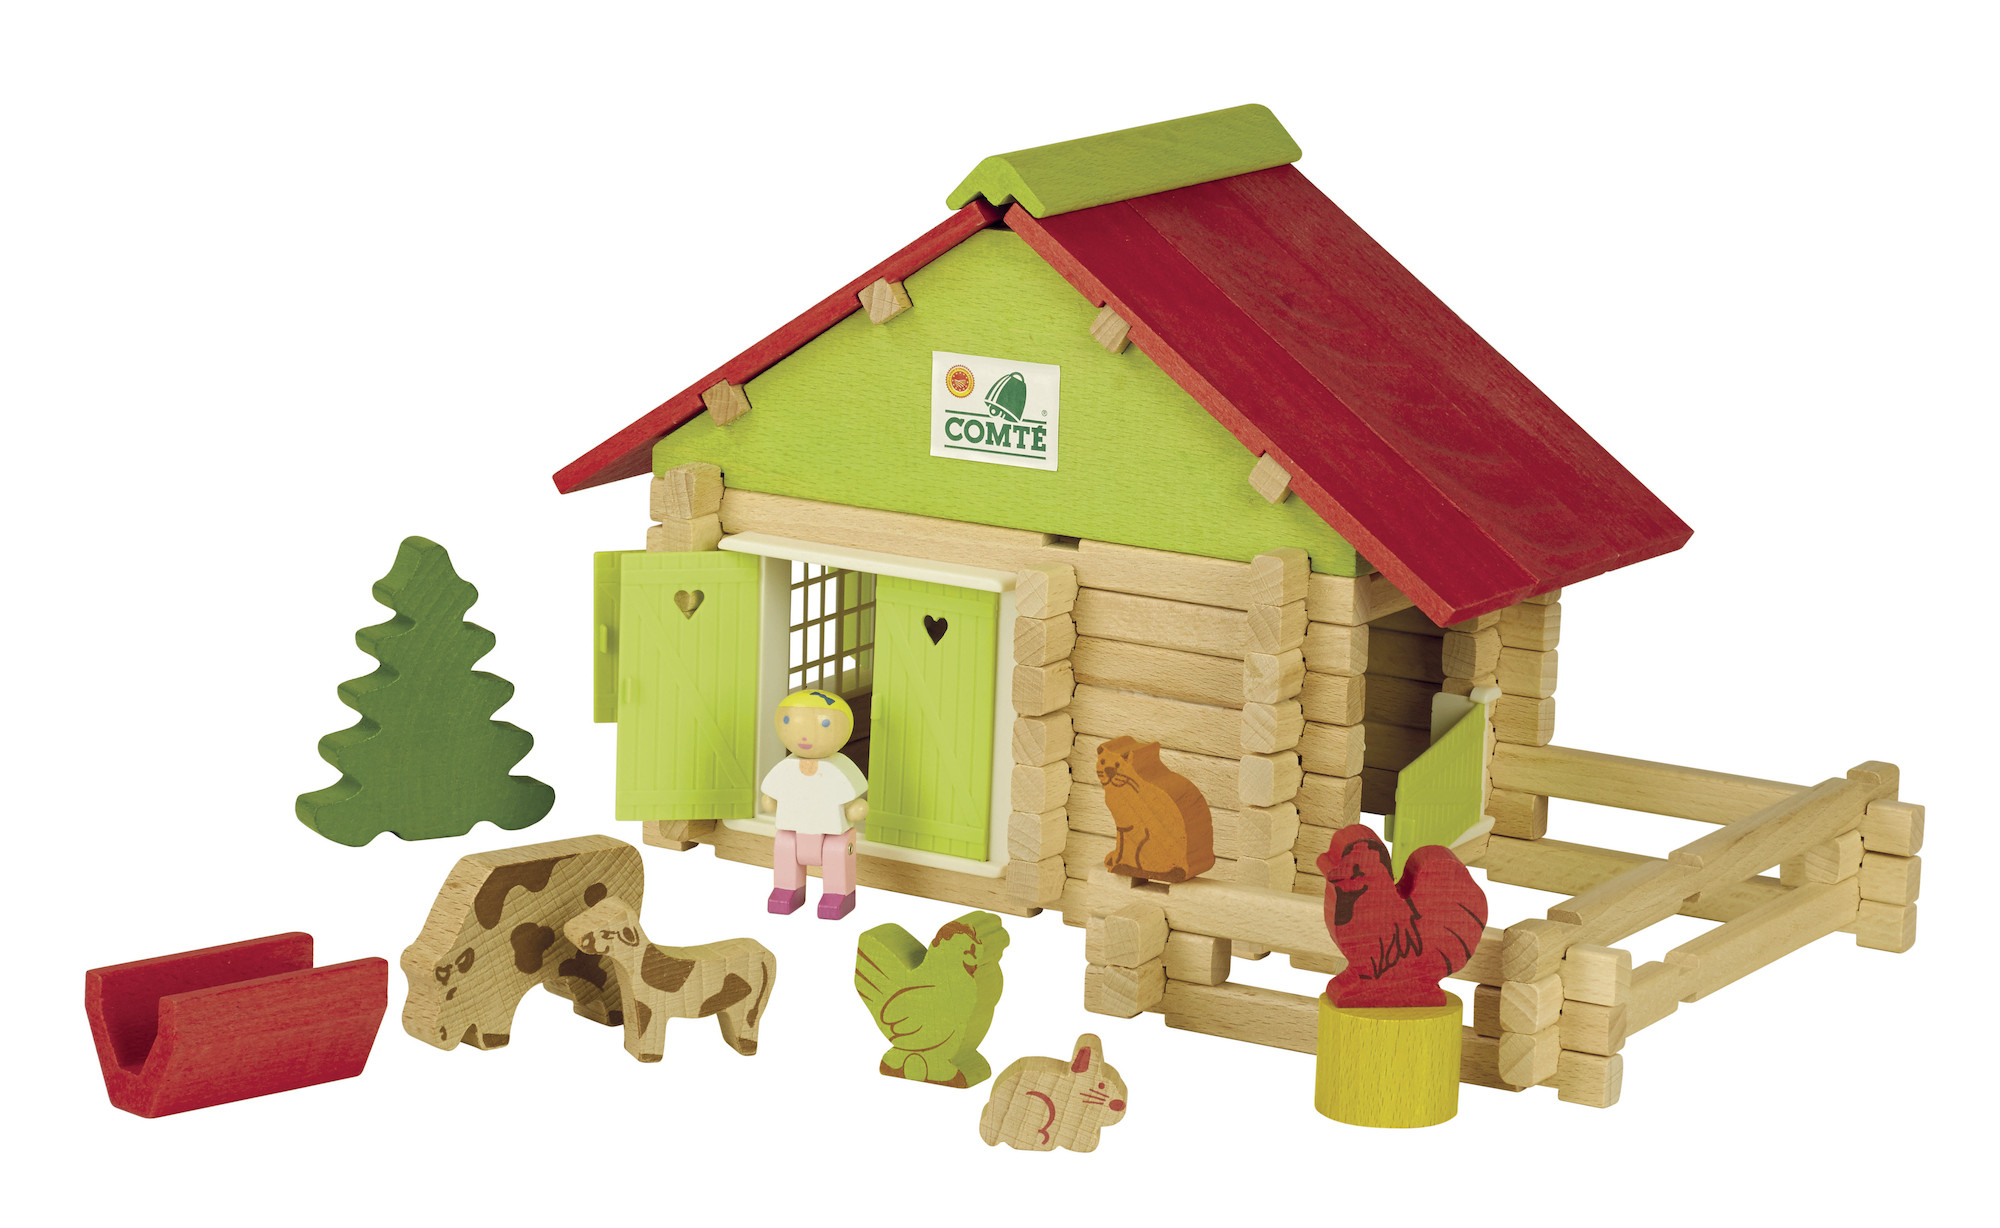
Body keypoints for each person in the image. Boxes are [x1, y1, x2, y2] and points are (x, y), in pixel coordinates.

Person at [760, 689, 868, 919]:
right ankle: (786, 889)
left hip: (832, 831)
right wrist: (770, 801)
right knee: (784, 848)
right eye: (788, 721)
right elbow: (771, 793)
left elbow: (855, 795)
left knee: (836, 853)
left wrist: (855, 808)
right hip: (792, 828)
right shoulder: (788, 767)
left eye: (825, 724)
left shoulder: (838, 767)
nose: (805, 737)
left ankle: (838, 894)